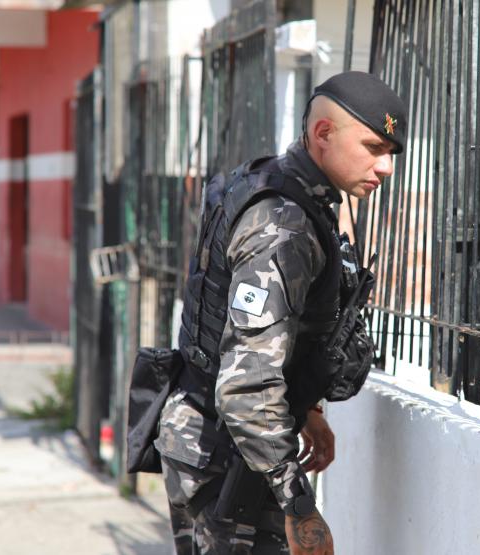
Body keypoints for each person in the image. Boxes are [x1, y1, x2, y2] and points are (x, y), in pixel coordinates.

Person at [156, 72, 406, 554]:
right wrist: (298, 506)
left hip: (215, 439)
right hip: (226, 460)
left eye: (390, 153)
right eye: (373, 147)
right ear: (323, 134)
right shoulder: (282, 227)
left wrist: (308, 411)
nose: (386, 167)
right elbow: (246, 387)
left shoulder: (283, 187)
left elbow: (284, 333)